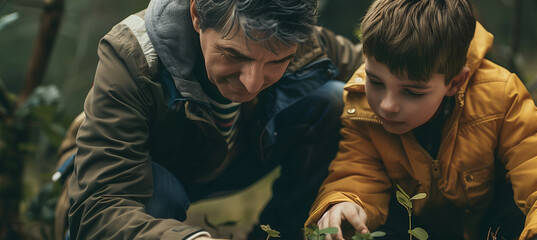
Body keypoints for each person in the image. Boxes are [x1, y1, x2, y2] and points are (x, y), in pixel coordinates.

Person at [54, 0, 363, 239]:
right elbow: (100, 205)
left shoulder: (292, 31)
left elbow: (379, 72)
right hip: (141, 175)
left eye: (277, 62)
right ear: (197, 15)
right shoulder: (132, 56)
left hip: (226, 161)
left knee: (336, 99)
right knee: (157, 192)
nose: (252, 83)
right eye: (235, 55)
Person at [305, 0, 537, 239]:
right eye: (376, 81)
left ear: (455, 82)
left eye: (412, 92)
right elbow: (356, 172)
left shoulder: (499, 95)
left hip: (490, 225)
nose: (387, 105)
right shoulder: (360, 103)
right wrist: (345, 201)